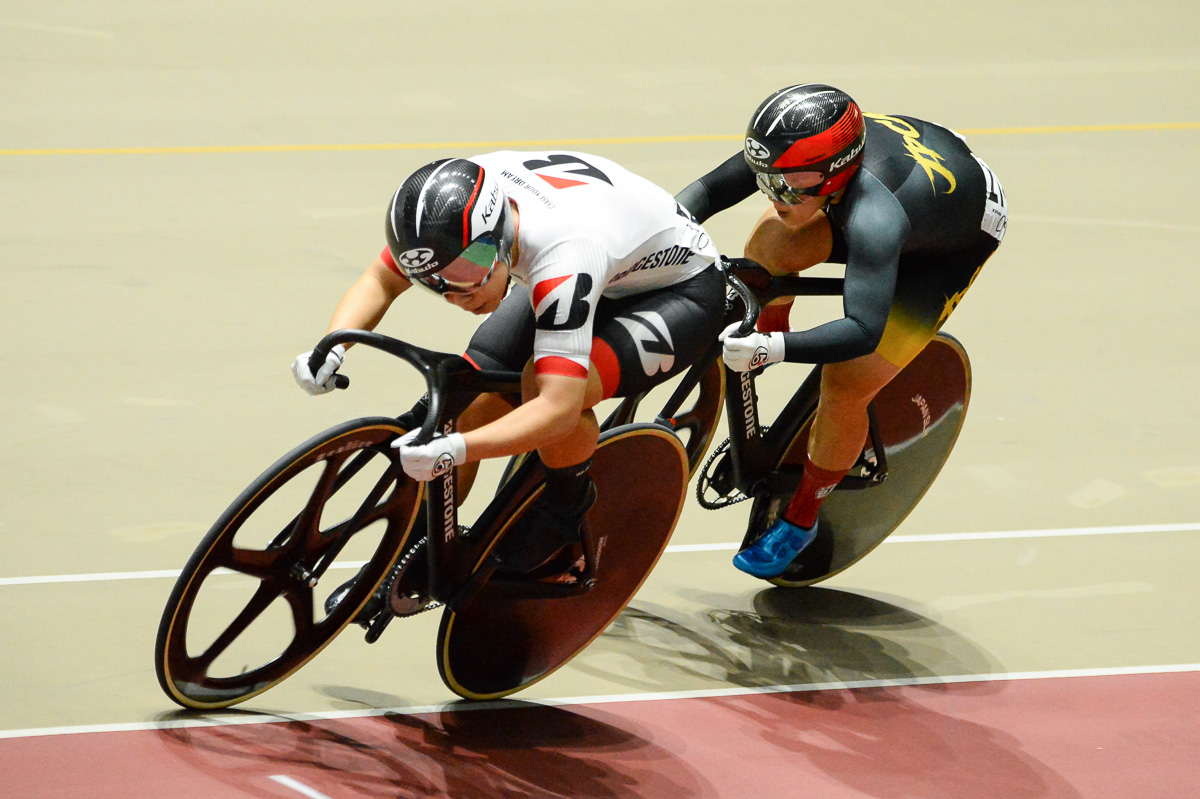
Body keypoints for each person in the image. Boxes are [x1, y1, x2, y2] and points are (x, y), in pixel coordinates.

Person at [293, 151, 725, 620]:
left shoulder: (563, 256)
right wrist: (332, 345)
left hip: (677, 292)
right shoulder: (446, 211)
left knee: (542, 387)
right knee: (471, 393)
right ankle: (409, 553)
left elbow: (557, 410)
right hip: (592, 256)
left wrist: (457, 449)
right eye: (437, 283)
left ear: (498, 237)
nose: (458, 296)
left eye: (467, 277)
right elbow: (381, 277)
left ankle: (566, 508)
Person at [675, 83, 1007, 579]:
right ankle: (770, 315)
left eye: (789, 187)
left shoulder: (875, 216)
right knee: (772, 237)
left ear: (836, 175)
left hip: (949, 241)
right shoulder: (791, 152)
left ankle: (804, 514)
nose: (775, 194)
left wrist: (773, 349)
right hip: (915, 176)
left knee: (847, 384)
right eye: (767, 180)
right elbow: (703, 193)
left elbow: (862, 329)